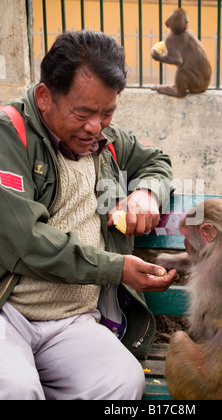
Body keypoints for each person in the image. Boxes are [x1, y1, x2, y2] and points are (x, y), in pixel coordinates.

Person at [0, 30, 176, 400]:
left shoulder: (104, 140)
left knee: (123, 381)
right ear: (46, 97)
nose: (96, 126)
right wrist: (115, 267)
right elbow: (25, 239)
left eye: (107, 112)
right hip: (8, 314)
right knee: (15, 388)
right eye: (83, 113)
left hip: (73, 322)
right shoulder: (8, 134)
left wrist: (146, 193)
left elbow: (157, 161)